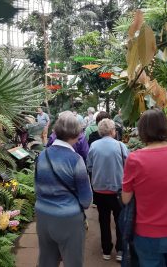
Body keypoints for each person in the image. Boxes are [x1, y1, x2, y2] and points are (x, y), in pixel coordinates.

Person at [122, 108, 167, 267]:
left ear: (142, 130)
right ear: (166, 126)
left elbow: (125, 199)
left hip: (148, 234)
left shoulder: (135, 159)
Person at [35, 111, 92, 267]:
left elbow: (37, 187)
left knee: (46, 260)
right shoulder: (76, 160)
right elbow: (86, 200)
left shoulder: (42, 155)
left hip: (43, 215)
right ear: (77, 134)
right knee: (73, 261)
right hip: (68, 218)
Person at [87, 118, 129, 262]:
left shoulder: (93, 146)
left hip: (99, 190)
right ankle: (120, 250)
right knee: (120, 221)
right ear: (112, 131)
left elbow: (90, 167)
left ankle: (106, 250)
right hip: (117, 190)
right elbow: (128, 165)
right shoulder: (120, 145)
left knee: (103, 220)